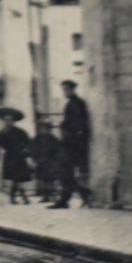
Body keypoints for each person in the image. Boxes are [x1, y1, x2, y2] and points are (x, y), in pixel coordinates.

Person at [51, 81, 94, 209]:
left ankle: (73, 197)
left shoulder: (76, 104)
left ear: (73, 90)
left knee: (65, 171)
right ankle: (76, 196)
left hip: (73, 143)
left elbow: (77, 125)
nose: (65, 92)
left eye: (66, 90)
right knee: (66, 172)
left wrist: (66, 132)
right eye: (63, 90)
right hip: (72, 142)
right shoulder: (73, 103)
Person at [0, 109, 34, 205]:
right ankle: (20, 197)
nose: (8, 122)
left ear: (14, 121)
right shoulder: (1, 133)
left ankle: (16, 197)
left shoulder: (20, 132)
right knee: (15, 178)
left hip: (19, 157)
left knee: (18, 178)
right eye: (6, 120)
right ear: (3, 121)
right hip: (10, 157)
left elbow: (27, 143)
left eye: (10, 120)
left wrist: (26, 153)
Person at [31, 120, 63, 201]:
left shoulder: (53, 139)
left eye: (46, 128)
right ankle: (45, 196)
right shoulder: (37, 138)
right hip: (40, 161)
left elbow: (58, 150)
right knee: (42, 179)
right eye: (42, 128)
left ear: (49, 129)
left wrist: (56, 160)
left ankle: (51, 194)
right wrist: (35, 158)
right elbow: (32, 148)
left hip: (50, 161)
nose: (44, 130)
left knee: (50, 179)